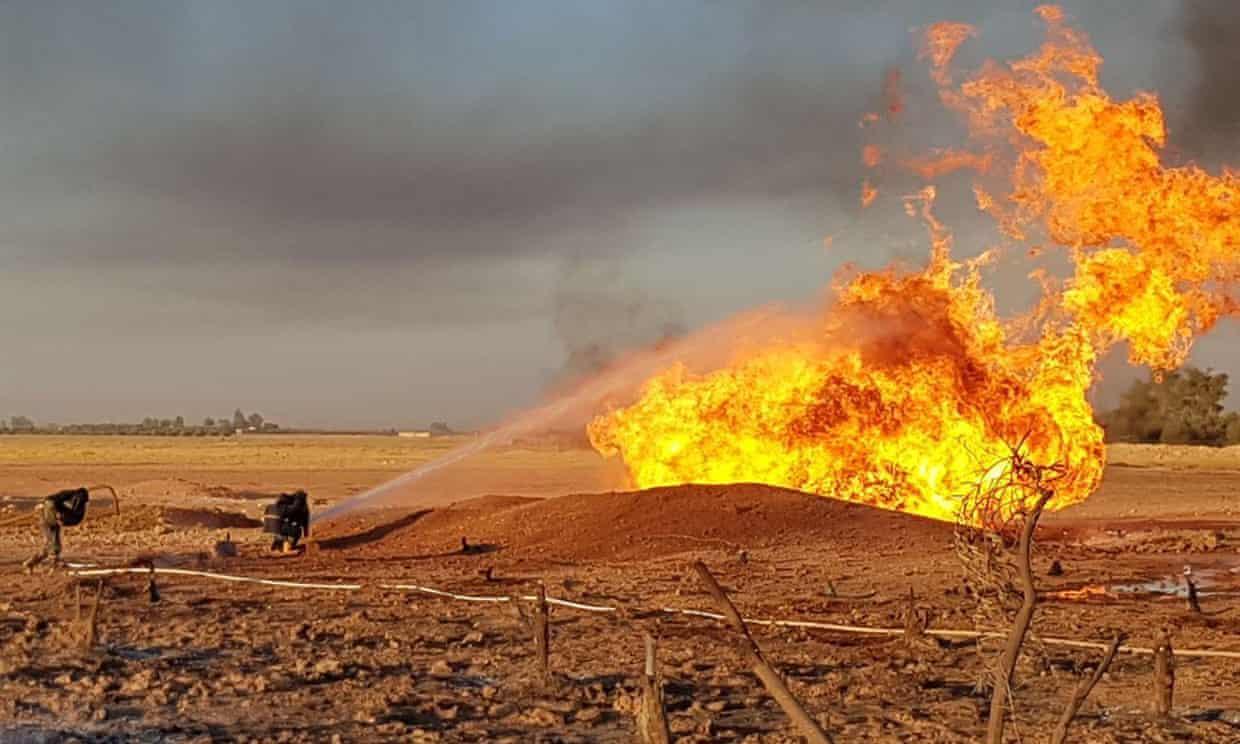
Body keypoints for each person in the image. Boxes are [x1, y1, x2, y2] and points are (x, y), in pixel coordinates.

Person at [22, 487, 89, 573]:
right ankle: (53, 563)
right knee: (53, 544)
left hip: (53, 518)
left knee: (48, 547)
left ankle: (30, 563)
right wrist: (56, 517)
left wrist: (61, 519)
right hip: (48, 517)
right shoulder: (64, 496)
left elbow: (74, 519)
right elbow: (49, 503)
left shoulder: (78, 507)